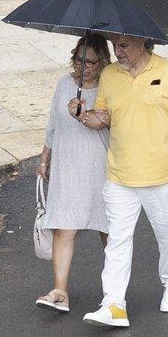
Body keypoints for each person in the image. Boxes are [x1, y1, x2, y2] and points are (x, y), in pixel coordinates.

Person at [69, 34, 168, 328]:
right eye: (116, 46)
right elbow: (102, 118)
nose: (118, 51)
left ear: (143, 43)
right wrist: (81, 115)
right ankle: (114, 303)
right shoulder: (111, 75)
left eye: (124, 46)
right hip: (120, 176)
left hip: (161, 175)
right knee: (117, 240)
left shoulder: (167, 71)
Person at [35, 34, 112, 312]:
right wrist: (45, 159)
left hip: (100, 169)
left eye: (90, 62)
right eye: (79, 60)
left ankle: (115, 293)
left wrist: (84, 112)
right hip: (67, 169)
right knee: (64, 229)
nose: (83, 68)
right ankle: (60, 291)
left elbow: (111, 122)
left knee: (108, 232)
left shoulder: (110, 86)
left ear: (103, 61)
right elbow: (52, 124)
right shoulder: (64, 84)